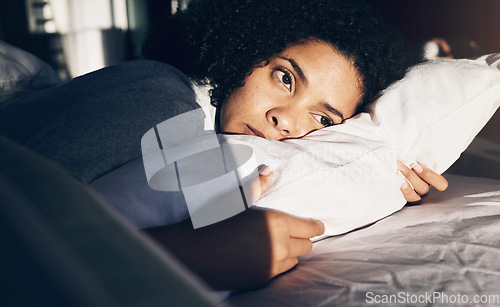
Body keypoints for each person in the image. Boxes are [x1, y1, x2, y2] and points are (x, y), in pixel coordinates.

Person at [0, 0, 447, 291]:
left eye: (322, 118)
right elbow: (21, 243)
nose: (285, 121)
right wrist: (180, 257)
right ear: (245, 50)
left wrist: (381, 176)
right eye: (285, 77)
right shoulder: (157, 96)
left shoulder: (205, 128)